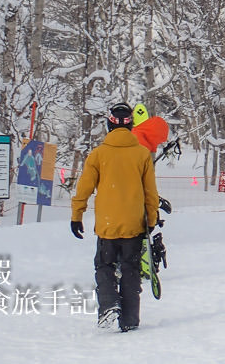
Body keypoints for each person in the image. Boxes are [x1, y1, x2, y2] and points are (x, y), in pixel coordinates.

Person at [71, 102, 160, 332]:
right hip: (134, 223)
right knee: (131, 270)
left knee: (104, 265)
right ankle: (130, 320)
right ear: (131, 125)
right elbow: (151, 193)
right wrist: (151, 220)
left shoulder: (99, 154)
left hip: (107, 225)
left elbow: (84, 188)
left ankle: (109, 304)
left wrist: (76, 215)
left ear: (109, 124)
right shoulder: (141, 154)